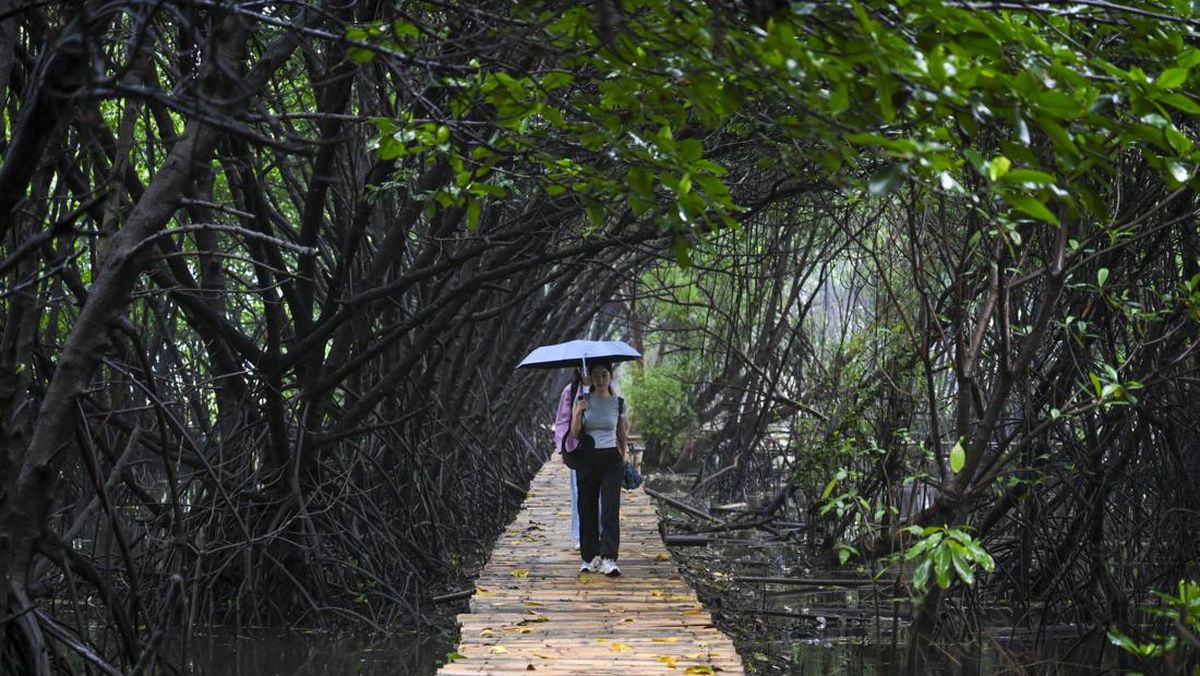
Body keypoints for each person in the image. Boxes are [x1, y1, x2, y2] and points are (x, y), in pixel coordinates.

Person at [569, 361, 629, 577]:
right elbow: (575, 434)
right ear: (590, 378)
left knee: (610, 509)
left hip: (611, 459)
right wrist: (578, 412)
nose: (600, 380)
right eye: (596, 376)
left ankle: (609, 558)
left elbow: (622, 433)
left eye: (604, 375)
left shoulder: (619, 403)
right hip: (588, 459)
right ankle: (588, 557)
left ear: (610, 377)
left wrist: (625, 455)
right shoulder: (582, 400)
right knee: (586, 507)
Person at [554, 368, 590, 548]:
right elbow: (561, 420)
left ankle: (597, 533)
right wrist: (561, 446)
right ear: (577, 368)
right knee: (578, 492)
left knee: (599, 495)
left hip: (600, 448)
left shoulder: (603, 387)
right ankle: (578, 536)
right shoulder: (571, 390)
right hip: (577, 448)